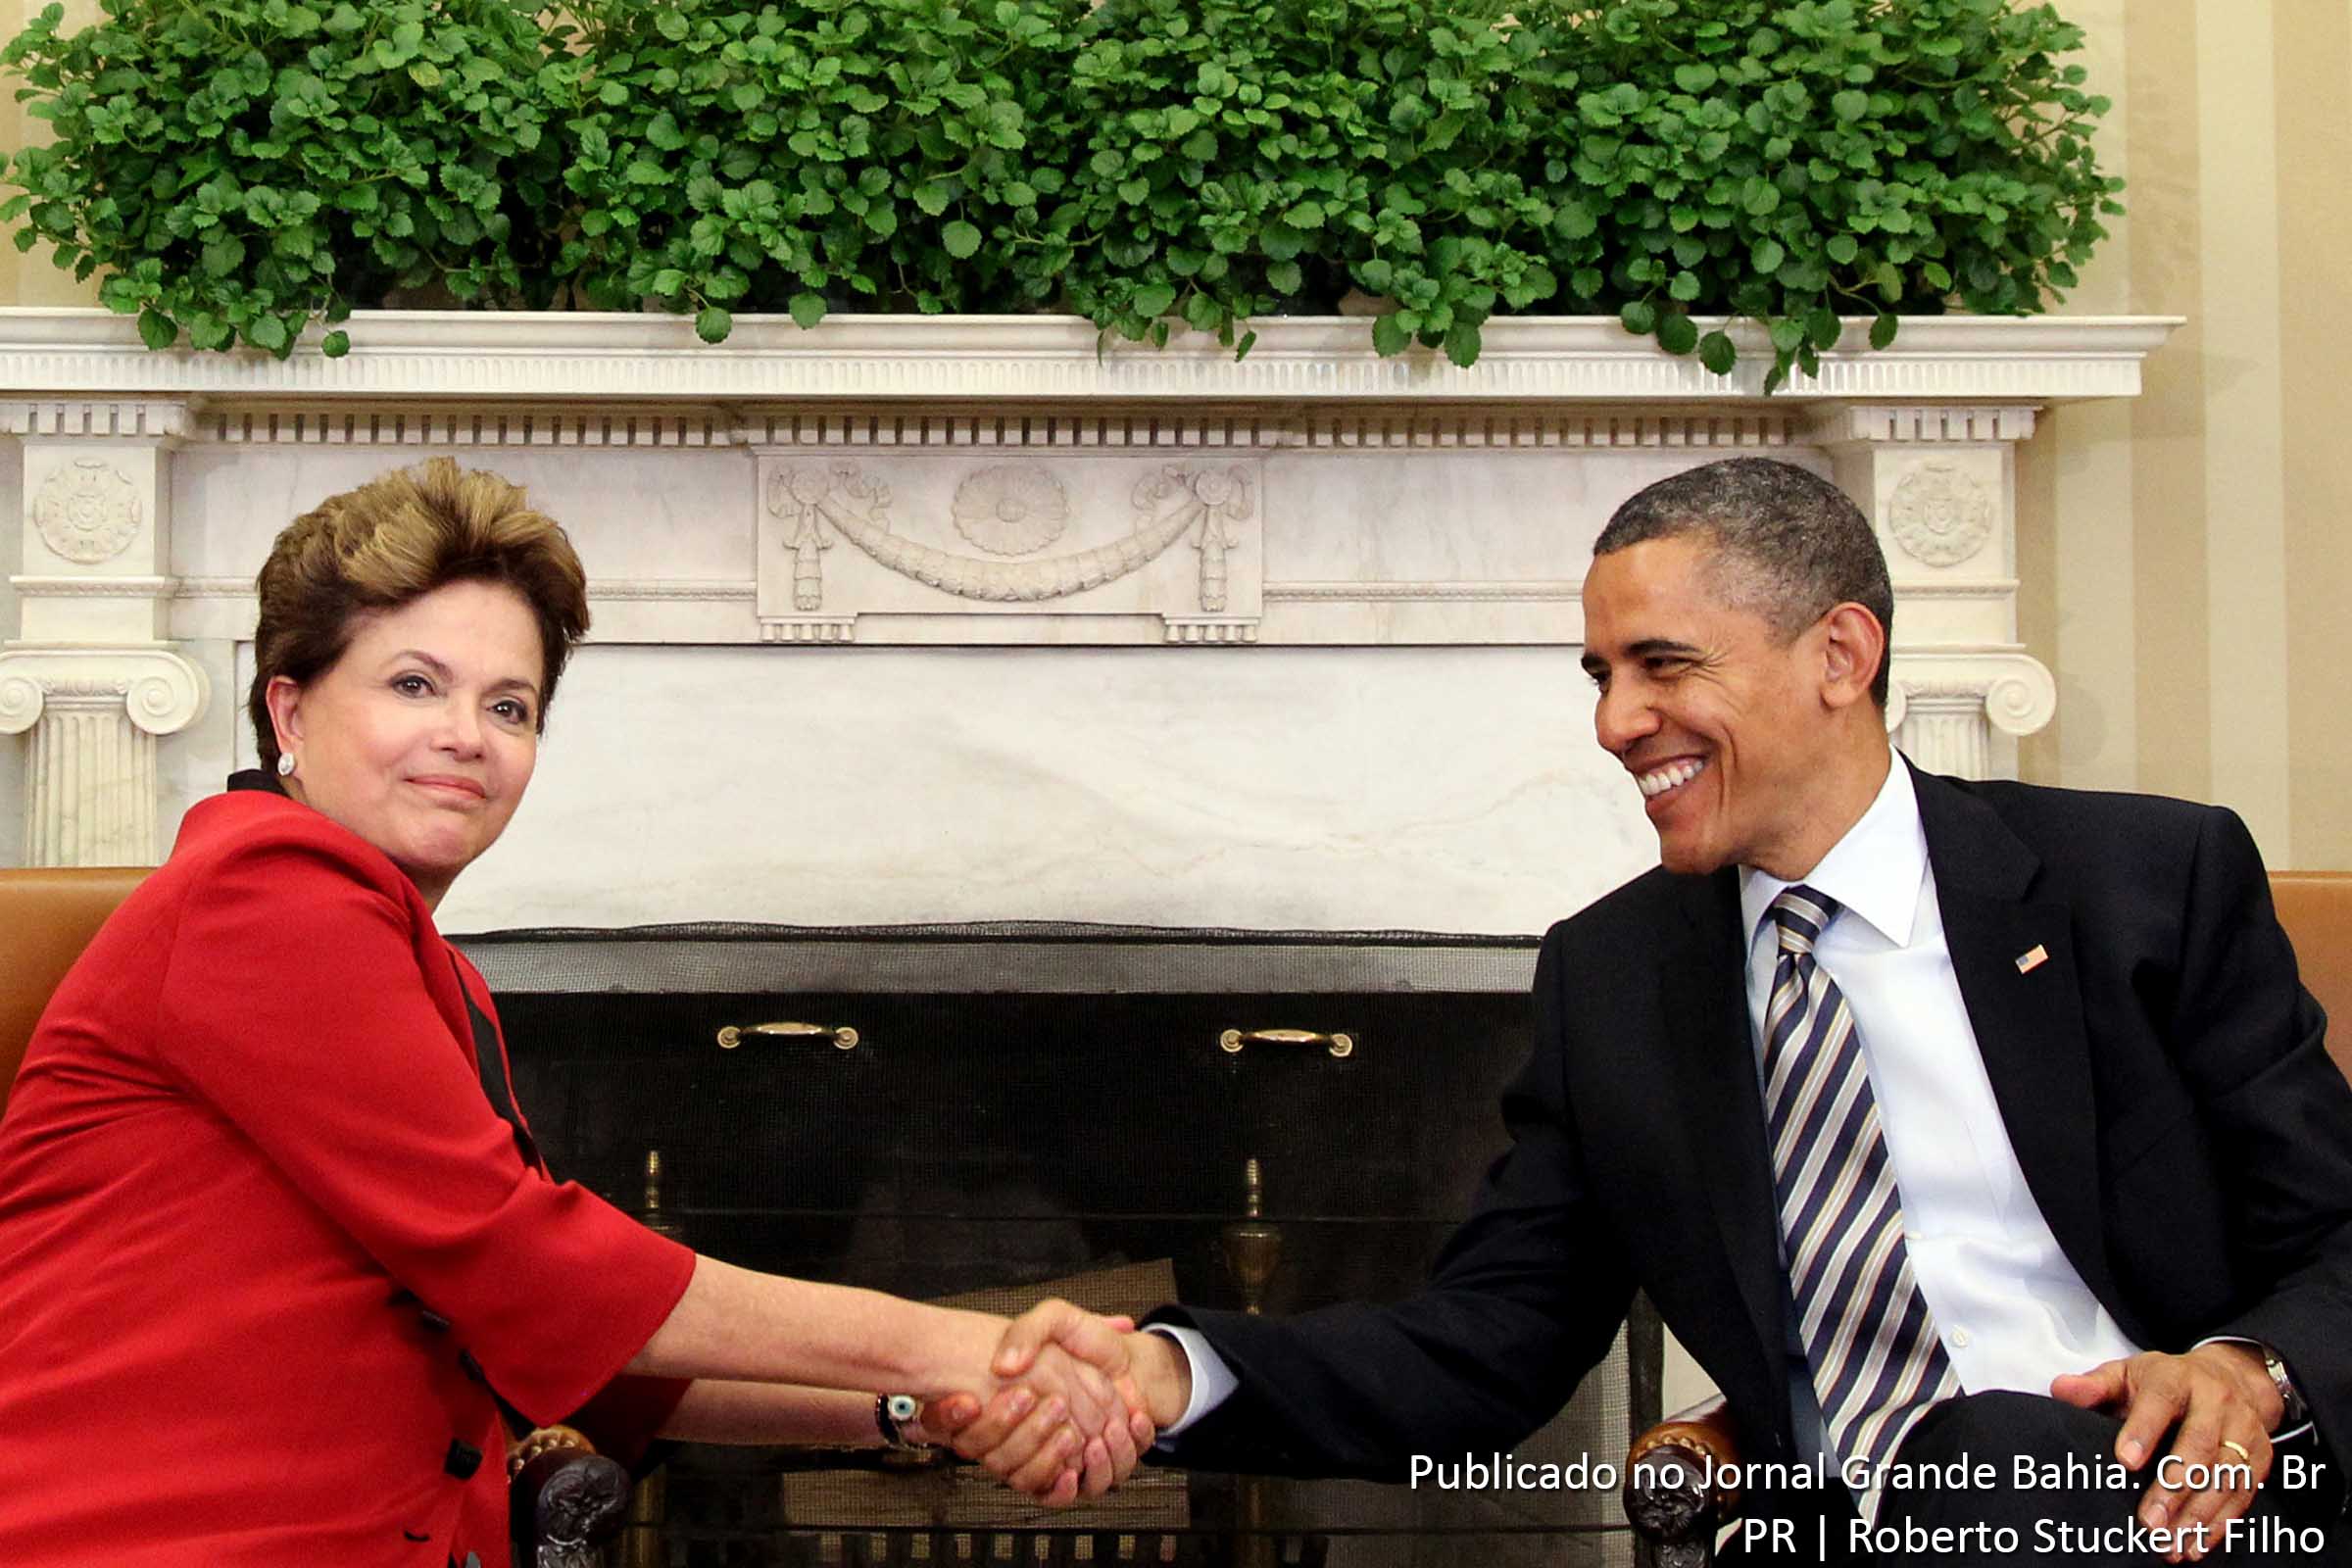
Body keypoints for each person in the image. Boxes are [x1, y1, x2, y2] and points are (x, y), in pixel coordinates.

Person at [960, 457, 2352, 1562]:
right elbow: (1487, 1347)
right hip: (1843, 1532)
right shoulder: (1613, 980)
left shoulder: (2140, 885)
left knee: (1986, 1454)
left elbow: (2338, 1238)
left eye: (1663, 665)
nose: (1617, 723)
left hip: (2173, 1509)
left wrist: (2253, 1370)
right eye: (1602, 678)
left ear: (1841, 654)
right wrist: (1172, 1375)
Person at [0, 458, 1149, 1566]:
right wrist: (978, 1343)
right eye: (414, 684)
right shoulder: (262, 900)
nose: (468, 735)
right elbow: (539, 1275)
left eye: (511, 705)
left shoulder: (422, 969)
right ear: (288, 710)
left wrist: (915, 1409)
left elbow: (565, 1339)